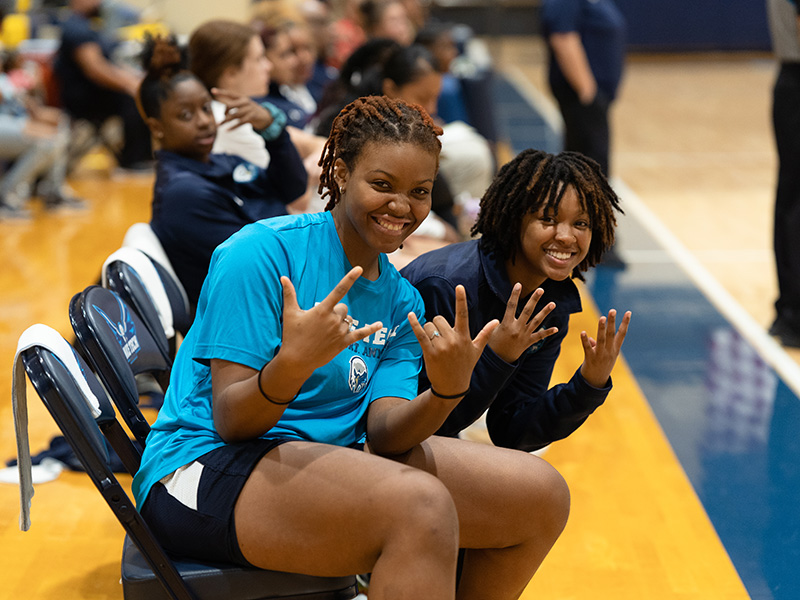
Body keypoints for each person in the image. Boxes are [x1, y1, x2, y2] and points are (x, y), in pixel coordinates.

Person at [131, 95, 569, 598]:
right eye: (381, 185)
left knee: (540, 496)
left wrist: (446, 392)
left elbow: (386, 434)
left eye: (419, 192)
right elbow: (232, 420)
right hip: (202, 469)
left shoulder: (403, 299)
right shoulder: (258, 253)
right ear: (339, 173)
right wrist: (292, 364)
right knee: (419, 508)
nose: (402, 207)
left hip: (328, 453)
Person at [401, 149, 631, 451]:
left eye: (581, 223)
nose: (565, 236)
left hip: (432, 440)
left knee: (535, 476)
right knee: (540, 486)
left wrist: (589, 384)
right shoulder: (446, 287)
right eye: (548, 219)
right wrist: (498, 358)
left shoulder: (549, 300)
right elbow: (420, 425)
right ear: (515, 219)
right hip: (375, 437)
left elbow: (511, 430)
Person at [138, 35, 306, 309]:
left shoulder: (218, 161)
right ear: (157, 127)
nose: (204, 121)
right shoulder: (183, 193)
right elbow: (263, 261)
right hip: (254, 323)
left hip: (278, 296)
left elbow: (292, 188)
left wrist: (271, 129)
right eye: (185, 115)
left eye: (205, 108)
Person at [53, 0, 152, 170]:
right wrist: (131, 85)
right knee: (133, 98)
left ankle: (142, 156)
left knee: (143, 89)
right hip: (84, 99)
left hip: (95, 92)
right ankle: (134, 161)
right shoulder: (75, 28)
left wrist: (134, 78)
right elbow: (96, 70)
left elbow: (110, 63)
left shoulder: (89, 26)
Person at [540, 0, 626, 177]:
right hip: (580, 96)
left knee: (579, 164)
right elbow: (563, 38)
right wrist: (587, 91)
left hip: (593, 97)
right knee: (590, 165)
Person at [767, 0, 800, 348]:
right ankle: (793, 315)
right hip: (796, 80)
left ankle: (789, 311)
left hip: (790, 82)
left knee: (789, 198)